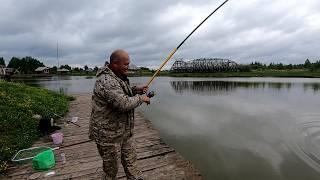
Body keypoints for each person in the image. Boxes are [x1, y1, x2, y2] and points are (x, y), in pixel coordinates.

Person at [89, 49, 150, 180]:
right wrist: (141, 98)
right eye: (126, 64)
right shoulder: (106, 80)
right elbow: (122, 104)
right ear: (115, 64)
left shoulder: (116, 76)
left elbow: (121, 91)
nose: (128, 67)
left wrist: (135, 90)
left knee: (132, 165)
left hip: (124, 132)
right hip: (108, 136)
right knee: (111, 171)